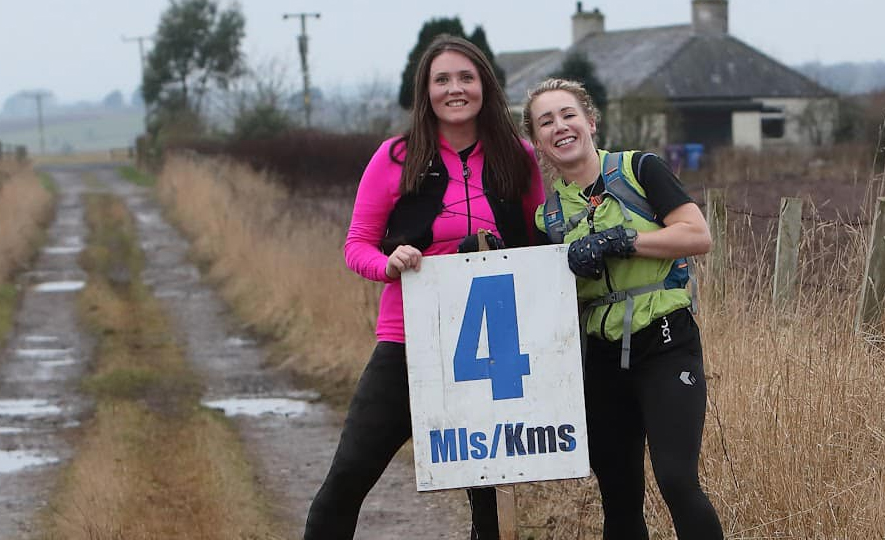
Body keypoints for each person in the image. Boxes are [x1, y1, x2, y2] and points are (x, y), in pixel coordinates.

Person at [303, 34, 545, 540]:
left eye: (466, 78)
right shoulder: (395, 157)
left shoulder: (519, 157)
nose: (455, 89)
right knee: (348, 477)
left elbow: (540, 238)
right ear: (425, 91)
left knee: (490, 500)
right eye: (442, 80)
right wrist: (388, 264)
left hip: (494, 349)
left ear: (485, 85)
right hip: (409, 341)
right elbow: (357, 245)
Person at [521, 78, 723, 540]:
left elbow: (697, 235)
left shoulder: (639, 169)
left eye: (568, 114)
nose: (560, 126)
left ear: (591, 122)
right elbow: (542, 296)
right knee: (618, 495)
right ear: (537, 143)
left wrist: (623, 241)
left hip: (665, 341)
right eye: (546, 122)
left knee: (676, 480)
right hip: (602, 355)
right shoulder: (547, 217)